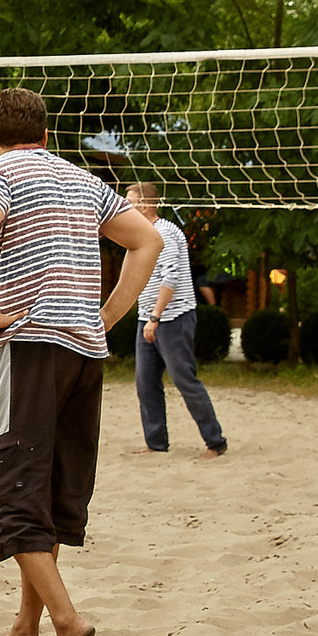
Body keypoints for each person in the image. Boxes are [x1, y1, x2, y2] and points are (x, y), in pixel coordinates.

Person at [0, 87, 162, 636]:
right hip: (84, 354)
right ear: (46, 135)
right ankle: (25, 631)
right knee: (48, 488)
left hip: (28, 346)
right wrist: (107, 317)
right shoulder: (82, 180)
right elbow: (147, 240)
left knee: (8, 487)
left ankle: (67, 621)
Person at [125, 182, 227, 458]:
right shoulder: (137, 235)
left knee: (184, 380)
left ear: (145, 205)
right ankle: (156, 442)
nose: (126, 206)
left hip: (173, 318)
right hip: (147, 319)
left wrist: (155, 317)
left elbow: (170, 278)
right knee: (146, 383)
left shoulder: (166, 233)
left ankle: (215, 442)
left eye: (130, 201)